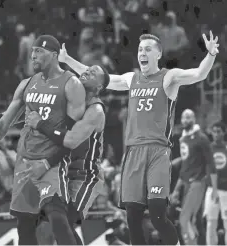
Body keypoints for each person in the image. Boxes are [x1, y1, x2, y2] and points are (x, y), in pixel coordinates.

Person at [58, 30, 219, 245]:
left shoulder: (168, 77)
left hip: (157, 152)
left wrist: (210, 55)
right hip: (133, 152)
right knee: (132, 216)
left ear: (158, 54)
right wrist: (68, 60)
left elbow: (199, 74)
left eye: (148, 49)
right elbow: (97, 76)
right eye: (140, 49)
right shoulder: (132, 78)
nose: (142, 53)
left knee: (158, 214)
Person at [0, 35, 86, 245]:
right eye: (32, 51)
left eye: (39, 52)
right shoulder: (27, 84)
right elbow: (3, 125)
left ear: (54, 55)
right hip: (25, 162)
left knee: (58, 219)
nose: (33, 56)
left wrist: (46, 163)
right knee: (25, 227)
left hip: (52, 162)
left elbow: (74, 138)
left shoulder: (71, 84)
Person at [0, 65, 111, 245]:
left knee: (62, 220)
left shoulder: (95, 110)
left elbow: (70, 140)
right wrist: (1, 117)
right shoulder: (70, 98)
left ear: (99, 87)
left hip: (84, 174)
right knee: (51, 221)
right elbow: (34, 112)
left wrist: (41, 124)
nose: (87, 71)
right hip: (63, 166)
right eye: (88, 69)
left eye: (93, 73)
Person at [170, 109, 217, 244]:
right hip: (186, 183)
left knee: (185, 218)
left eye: (189, 117)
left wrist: (213, 188)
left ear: (194, 119)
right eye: (184, 117)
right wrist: (176, 190)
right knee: (190, 220)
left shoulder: (201, 138)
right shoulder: (183, 138)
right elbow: (185, 168)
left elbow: (211, 163)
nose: (186, 120)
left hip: (198, 182)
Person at [203, 121, 227, 245]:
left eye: (219, 131)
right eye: (214, 131)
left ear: (224, 132)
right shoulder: (208, 149)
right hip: (212, 190)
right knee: (211, 222)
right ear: (211, 133)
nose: (217, 134)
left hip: (225, 190)